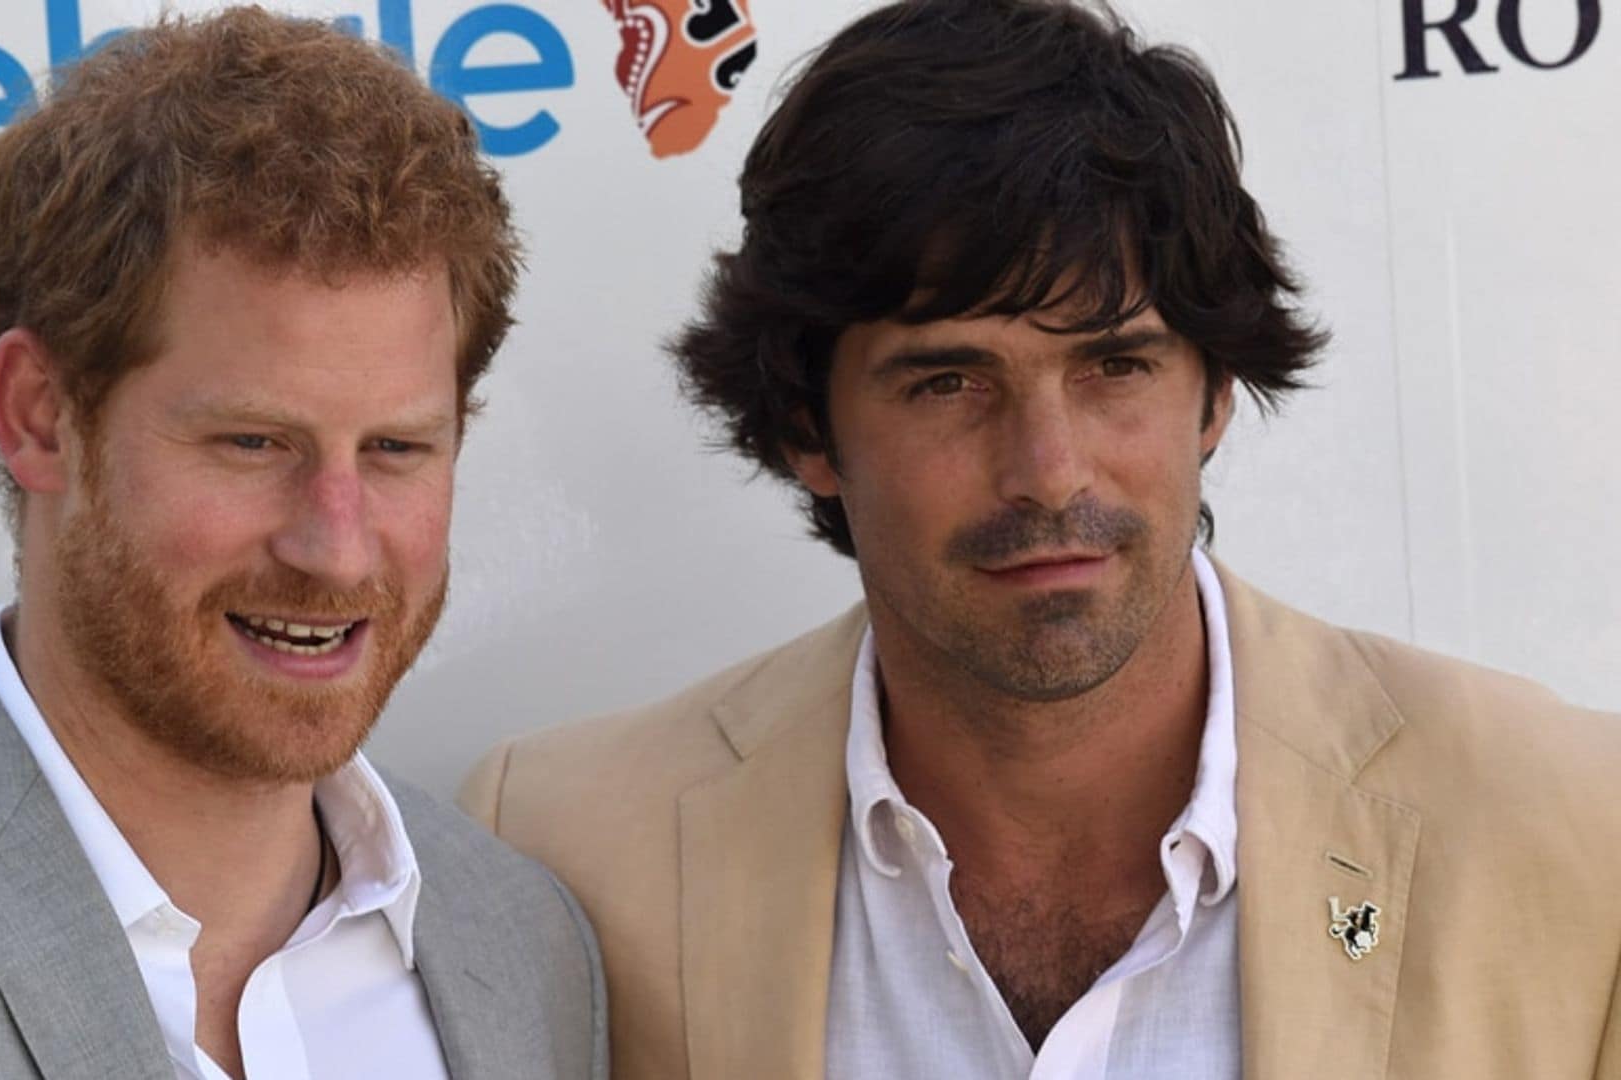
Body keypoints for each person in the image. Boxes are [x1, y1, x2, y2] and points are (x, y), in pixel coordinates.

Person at [457, 1, 1621, 1077]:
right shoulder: (560, 850)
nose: (1049, 471)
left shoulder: (1573, 830)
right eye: (950, 381)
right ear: (809, 428)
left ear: (1212, 396)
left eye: (1115, 366)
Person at [0, 9, 604, 1079]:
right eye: (253, 440)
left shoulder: (528, 943)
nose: (340, 549)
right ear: (40, 414)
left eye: (399, 447)